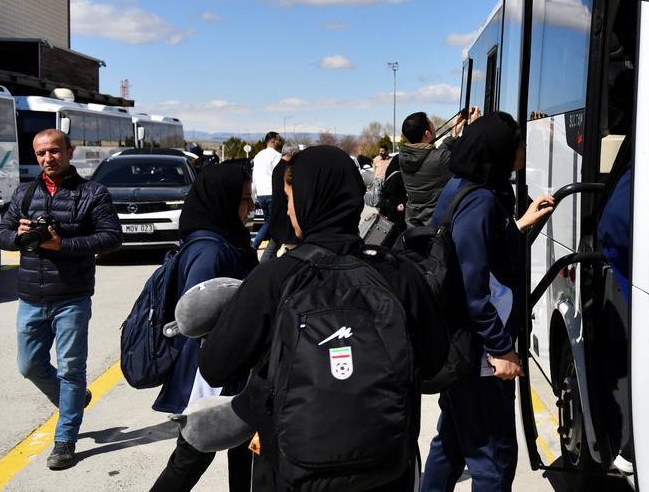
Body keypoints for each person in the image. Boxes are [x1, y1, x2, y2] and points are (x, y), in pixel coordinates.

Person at [199, 146, 447, 491]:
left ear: (308, 199)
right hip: (387, 469)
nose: (288, 208)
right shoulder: (399, 273)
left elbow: (215, 365)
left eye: (290, 198)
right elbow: (435, 361)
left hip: (291, 472)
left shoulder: (275, 277)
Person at [420, 112, 555, 492]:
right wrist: (500, 348)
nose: (523, 150)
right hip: (479, 352)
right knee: (494, 459)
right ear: (500, 151)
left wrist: (519, 224)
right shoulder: (480, 202)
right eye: (519, 145)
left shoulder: (462, 187)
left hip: (458, 343)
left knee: (451, 444)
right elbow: (472, 286)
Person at [0, 129, 122, 470]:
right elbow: (0, 234)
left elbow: (111, 238)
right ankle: (74, 401)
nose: (47, 159)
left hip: (72, 298)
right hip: (30, 297)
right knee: (29, 365)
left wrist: (61, 244)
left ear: (69, 151)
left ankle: (65, 440)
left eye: (54, 151)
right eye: (40, 154)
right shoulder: (24, 193)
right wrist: (18, 237)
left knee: (70, 369)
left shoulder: (93, 193)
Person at [151, 164, 258, 492]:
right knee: (191, 456)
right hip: (212, 378)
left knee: (244, 456)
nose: (251, 206)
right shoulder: (210, 251)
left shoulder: (228, 240)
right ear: (223, 201)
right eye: (243, 199)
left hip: (232, 373)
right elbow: (198, 320)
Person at [398, 109, 475, 227]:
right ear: (427, 134)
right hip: (435, 227)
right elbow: (468, 156)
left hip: (414, 225)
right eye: (430, 123)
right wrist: (475, 126)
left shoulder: (403, 158)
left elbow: (430, 156)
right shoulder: (439, 159)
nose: (433, 125)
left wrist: (452, 137)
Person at [260, 150, 298, 262]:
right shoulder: (285, 169)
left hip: (279, 212)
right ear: (292, 153)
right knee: (277, 244)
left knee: (275, 243)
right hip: (283, 212)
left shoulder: (279, 168)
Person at [250, 132, 283, 249]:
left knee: (269, 222)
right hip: (272, 193)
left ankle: (269, 249)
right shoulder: (276, 156)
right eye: (279, 140)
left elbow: (254, 176)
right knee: (272, 223)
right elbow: (278, 176)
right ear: (273, 141)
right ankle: (255, 245)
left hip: (261, 193)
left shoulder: (258, 156)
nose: (280, 142)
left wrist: (253, 195)